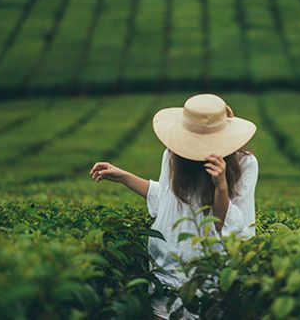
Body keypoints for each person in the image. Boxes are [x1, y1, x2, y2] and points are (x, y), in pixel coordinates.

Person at [90, 93, 259, 319]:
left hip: (210, 273)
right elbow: (168, 200)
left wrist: (221, 187)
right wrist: (123, 176)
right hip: (169, 270)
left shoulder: (245, 163)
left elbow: (228, 226)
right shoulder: (174, 154)